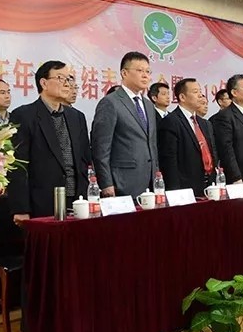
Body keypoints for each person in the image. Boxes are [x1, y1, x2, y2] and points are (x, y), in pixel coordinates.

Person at [9, 61, 91, 219]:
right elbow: (18, 166)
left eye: (69, 79)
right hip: (41, 203)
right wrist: (20, 208)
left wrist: (85, 196)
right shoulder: (24, 115)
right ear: (44, 83)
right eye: (61, 78)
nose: (67, 84)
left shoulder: (77, 117)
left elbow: (83, 160)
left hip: (76, 201)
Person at [91, 52, 159, 199]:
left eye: (148, 71)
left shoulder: (148, 105)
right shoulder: (110, 102)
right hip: (121, 183)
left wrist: (157, 176)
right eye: (140, 70)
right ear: (124, 73)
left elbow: (152, 144)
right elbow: (101, 148)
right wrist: (106, 183)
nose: (145, 75)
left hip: (150, 182)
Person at [158, 78, 217, 192]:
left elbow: (212, 154)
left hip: (210, 186)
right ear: (182, 97)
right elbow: (169, 162)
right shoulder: (170, 122)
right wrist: (175, 191)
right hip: (185, 188)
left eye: (200, 91)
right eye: (195, 92)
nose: (200, 95)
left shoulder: (205, 124)